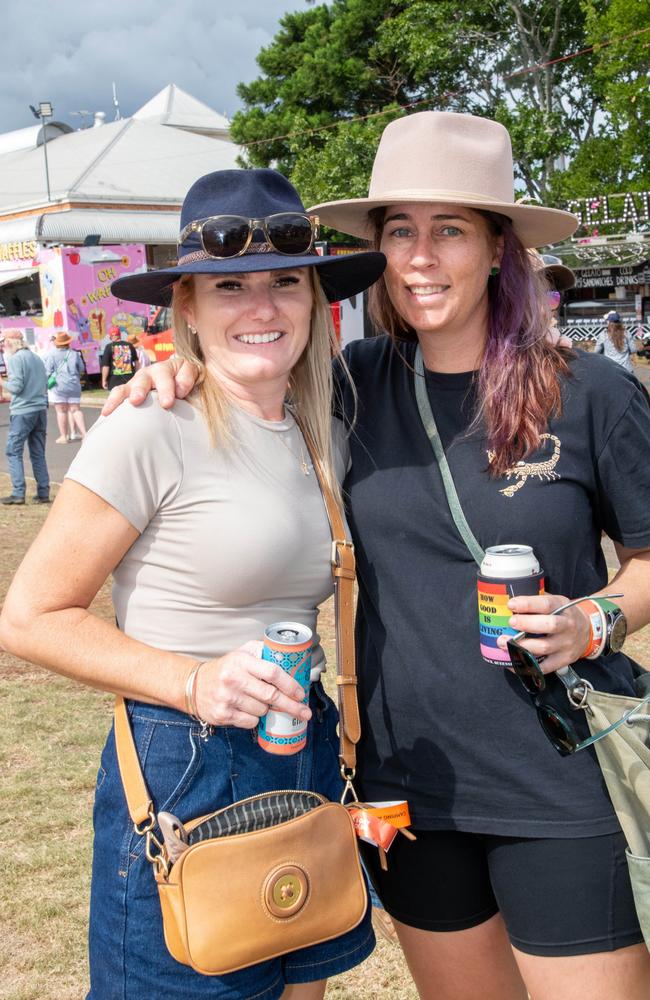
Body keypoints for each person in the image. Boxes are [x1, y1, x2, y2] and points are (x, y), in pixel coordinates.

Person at [110, 113, 650, 1000]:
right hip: (409, 789)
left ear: (496, 247)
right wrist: (172, 369)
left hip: (562, 780)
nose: (421, 258)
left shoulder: (589, 391)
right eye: (401, 230)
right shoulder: (350, 384)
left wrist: (599, 617)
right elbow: (247, 366)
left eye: (450, 230)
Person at [0, 168, 385, 1000]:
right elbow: (29, 617)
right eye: (229, 287)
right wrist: (194, 680)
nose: (262, 307)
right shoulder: (148, 427)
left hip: (300, 745)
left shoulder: (324, 428)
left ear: (316, 300)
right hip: (188, 760)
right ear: (190, 312)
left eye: (286, 281)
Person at [1, 329, 50, 505]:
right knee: (37, 453)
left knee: (13, 451)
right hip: (39, 409)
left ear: (11, 342)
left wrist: (1, 381)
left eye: (4, 341)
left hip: (23, 411)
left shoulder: (15, 359)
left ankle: (18, 493)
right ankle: (43, 492)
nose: (3, 345)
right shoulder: (35, 358)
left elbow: (16, 387)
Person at [44, 331, 87, 443]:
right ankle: (84, 434)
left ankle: (64, 436)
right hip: (74, 385)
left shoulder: (51, 355)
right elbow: (81, 368)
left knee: (61, 411)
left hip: (58, 386)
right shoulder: (74, 354)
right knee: (76, 409)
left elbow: (47, 371)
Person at [101, 325, 139, 389]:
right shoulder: (130, 345)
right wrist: (137, 376)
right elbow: (137, 362)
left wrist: (104, 380)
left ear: (110, 337)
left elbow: (106, 366)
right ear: (120, 335)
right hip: (130, 380)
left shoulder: (109, 347)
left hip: (114, 382)